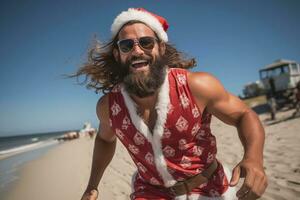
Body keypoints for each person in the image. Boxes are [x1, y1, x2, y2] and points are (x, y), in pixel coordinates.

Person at [76, 8, 267, 200]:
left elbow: (244, 115)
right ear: (118, 54)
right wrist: (92, 186)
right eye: (126, 45)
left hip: (210, 188)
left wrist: (254, 158)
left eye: (146, 42)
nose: (137, 50)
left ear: (161, 48)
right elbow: (104, 139)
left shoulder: (197, 86)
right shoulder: (109, 107)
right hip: (149, 192)